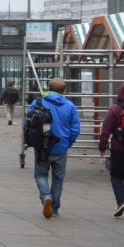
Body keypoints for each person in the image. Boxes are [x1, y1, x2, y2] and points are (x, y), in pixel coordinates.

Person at [28, 77, 81, 218]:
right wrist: (68, 142)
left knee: (40, 174)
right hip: (61, 146)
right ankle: (54, 207)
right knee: (58, 178)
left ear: (49, 87)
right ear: (63, 90)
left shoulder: (38, 102)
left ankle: (46, 196)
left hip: (42, 146)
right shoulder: (70, 106)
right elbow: (75, 128)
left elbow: (27, 122)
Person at [97, 81, 124, 218]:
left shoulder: (115, 109)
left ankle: (121, 201)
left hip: (118, 149)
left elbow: (106, 130)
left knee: (116, 176)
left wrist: (102, 147)